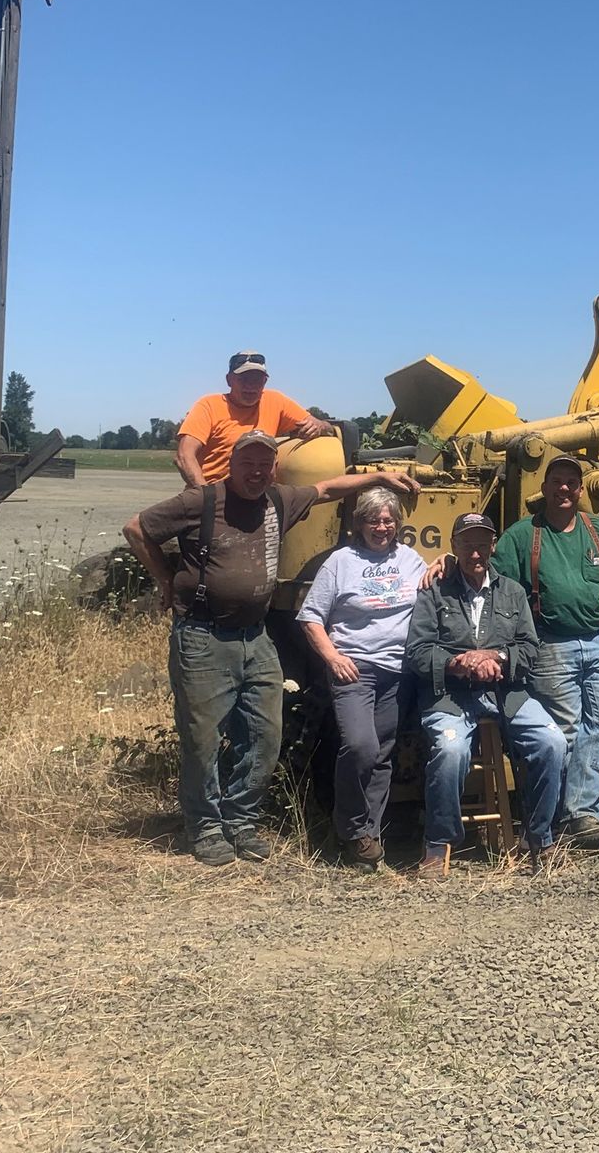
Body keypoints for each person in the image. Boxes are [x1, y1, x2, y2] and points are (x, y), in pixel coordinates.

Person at [123, 430, 419, 867]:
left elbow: (325, 488)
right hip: (203, 635)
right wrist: (166, 578)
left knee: (265, 732)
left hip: (255, 634)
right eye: (249, 463)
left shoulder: (277, 500)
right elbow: (136, 528)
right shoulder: (202, 501)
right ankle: (205, 826)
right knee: (203, 737)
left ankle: (241, 821)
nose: (258, 471)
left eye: (265, 464)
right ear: (233, 464)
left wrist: (384, 475)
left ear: (273, 468)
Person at [405, 512, 566, 879]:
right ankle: (438, 843)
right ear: (454, 546)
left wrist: (497, 656)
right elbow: (417, 651)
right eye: (467, 543)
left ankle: (540, 837)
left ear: (493, 545)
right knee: (450, 750)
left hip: (505, 692)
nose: (475, 552)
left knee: (552, 742)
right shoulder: (433, 592)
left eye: (482, 543)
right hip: (451, 694)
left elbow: (529, 647)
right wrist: (458, 663)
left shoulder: (512, 591)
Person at [491, 453, 599, 852]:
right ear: (545, 488)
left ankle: (579, 813)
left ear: (581, 489)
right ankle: (571, 818)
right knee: (566, 732)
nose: (564, 488)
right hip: (550, 646)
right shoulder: (521, 536)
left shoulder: (598, 530)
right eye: (557, 482)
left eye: (571, 482)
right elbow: (500, 590)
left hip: (597, 641)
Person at [297, 485, 427, 870]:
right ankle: (351, 828)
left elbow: (436, 577)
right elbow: (310, 617)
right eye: (373, 520)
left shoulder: (410, 559)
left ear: (398, 524)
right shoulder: (341, 562)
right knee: (360, 747)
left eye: (388, 520)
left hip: (395, 671)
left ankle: (368, 835)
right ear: (360, 525)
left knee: (384, 753)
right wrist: (333, 657)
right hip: (354, 669)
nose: (381, 526)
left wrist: (445, 561)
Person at [176, 350, 335, 489]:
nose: (250, 386)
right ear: (229, 380)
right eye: (244, 379)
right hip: (212, 491)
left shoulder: (276, 401)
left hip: (254, 496)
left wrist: (319, 426)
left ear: (265, 381)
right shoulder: (209, 405)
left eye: (257, 380)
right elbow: (184, 455)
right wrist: (206, 497)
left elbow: (324, 425)